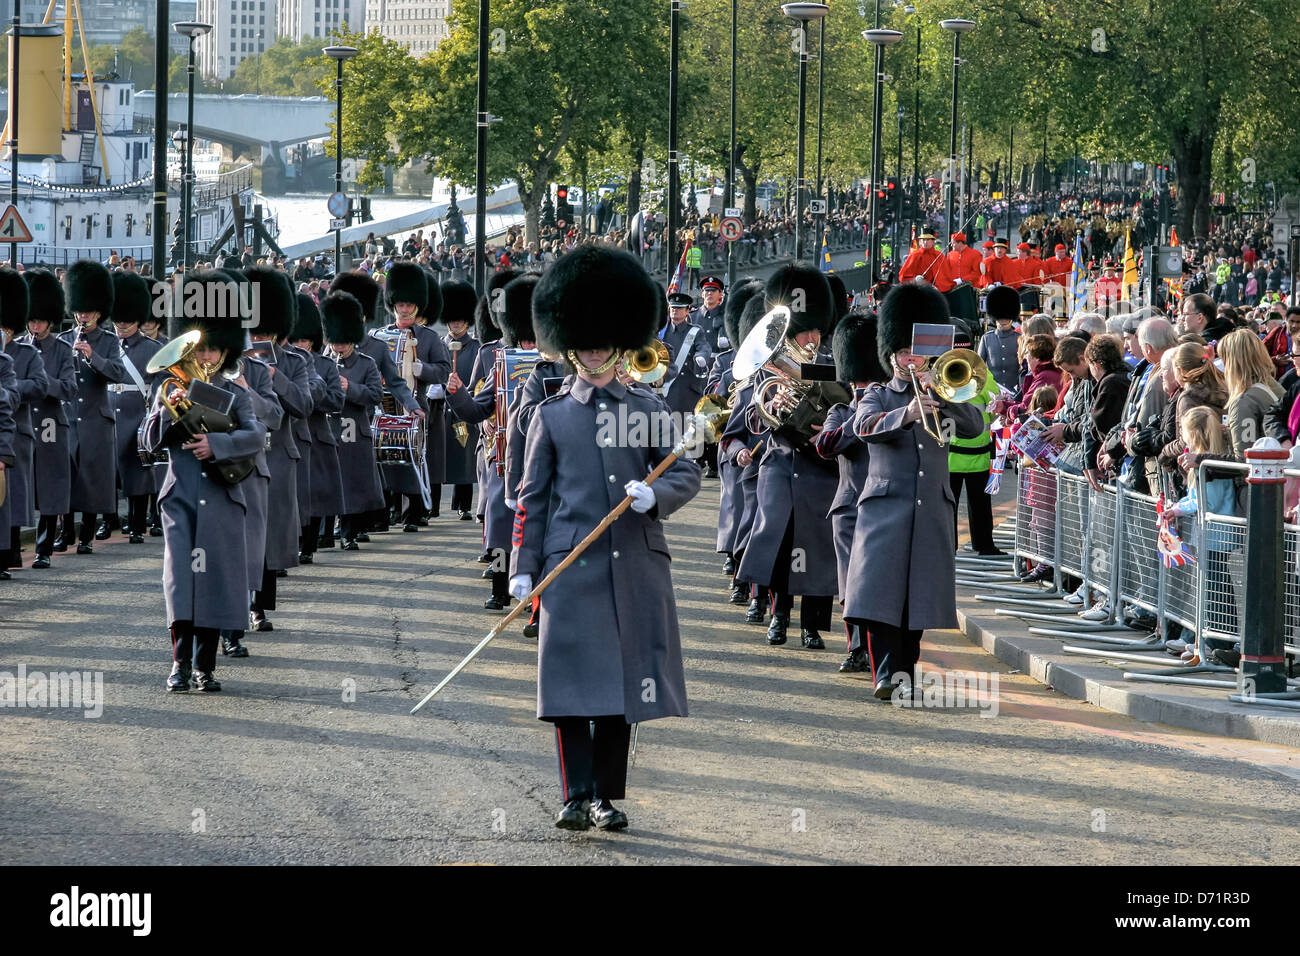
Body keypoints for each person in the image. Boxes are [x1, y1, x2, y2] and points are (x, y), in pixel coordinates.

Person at [509, 245, 701, 831]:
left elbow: (686, 469)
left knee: (621, 688)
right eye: (583, 346)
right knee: (570, 686)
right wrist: (523, 565)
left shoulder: (647, 407)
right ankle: (574, 793)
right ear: (569, 348)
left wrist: (655, 496)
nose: (592, 355)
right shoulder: (552, 415)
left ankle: (605, 797)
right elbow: (531, 498)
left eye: (601, 344)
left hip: (634, 565)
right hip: (571, 565)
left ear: (619, 344)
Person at [846, 281, 985, 699]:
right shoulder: (878, 394)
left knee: (917, 599)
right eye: (907, 353)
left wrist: (945, 394)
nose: (914, 359)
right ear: (892, 357)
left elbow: (975, 428)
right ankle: (884, 674)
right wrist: (906, 413)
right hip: (885, 508)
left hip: (930, 510)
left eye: (919, 353)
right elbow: (863, 428)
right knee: (880, 597)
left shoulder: (943, 391)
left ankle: (904, 672)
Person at [140, 273, 266, 693]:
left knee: (213, 581)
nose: (207, 356)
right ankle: (178, 665)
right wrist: (163, 411)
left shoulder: (235, 394)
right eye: (202, 348)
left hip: (222, 496)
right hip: (181, 499)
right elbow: (146, 440)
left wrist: (216, 443)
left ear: (224, 351)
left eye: (213, 348)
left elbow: (256, 436)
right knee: (181, 581)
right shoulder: (168, 387)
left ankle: (204, 668)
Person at [735, 263, 842, 650]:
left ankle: (811, 625)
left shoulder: (832, 363)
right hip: (780, 465)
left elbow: (844, 405)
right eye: (804, 331)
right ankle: (778, 617)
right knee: (779, 545)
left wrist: (825, 418)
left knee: (817, 549)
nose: (810, 337)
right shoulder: (771, 366)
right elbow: (750, 415)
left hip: (819, 468)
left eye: (814, 330)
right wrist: (775, 404)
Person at [447, 274, 540, 611]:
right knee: (501, 527)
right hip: (506, 454)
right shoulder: (500, 363)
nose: (529, 345)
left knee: (540, 528)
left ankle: (537, 597)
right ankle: (500, 588)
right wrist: (456, 393)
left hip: (544, 456)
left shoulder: (558, 363)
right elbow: (475, 409)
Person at [814, 309, 887, 673]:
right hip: (848, 507)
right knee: (849, 584)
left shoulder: (890, 408)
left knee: (876, 583)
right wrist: (859, 422)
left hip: (883, 508)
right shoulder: (841, 411)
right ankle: (856, 648)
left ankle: (878, 651)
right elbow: (826, 446)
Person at [245, 267, 313, 632]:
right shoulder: (234, 360)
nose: (260, 337)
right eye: (255, 331)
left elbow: (304, 406)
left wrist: (276, 378)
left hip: (279, 452)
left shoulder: (295, 363)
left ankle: (260, 606)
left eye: (266, 332)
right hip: (245, 452)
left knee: (269, 534)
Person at [59, 260, 127, 553]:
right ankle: (64, 532)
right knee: (67, 476)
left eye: (88, 311)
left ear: (99, 312)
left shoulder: (109, 341)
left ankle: (86, 534)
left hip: (96, 417)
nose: (83, 316)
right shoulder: (64, 339)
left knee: (90, 479)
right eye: (79, 311)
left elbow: (117, 373)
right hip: (68, 416)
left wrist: (91, 356)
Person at [324, 292, 385, 549]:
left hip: (354, 430)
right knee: (327, 482)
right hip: (329, 429)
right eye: (336, 342)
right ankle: (324, 534)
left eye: (343, 342)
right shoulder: (324, 363)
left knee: (351, 484)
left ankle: (349, 532)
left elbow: (375, 395)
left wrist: (350, 387)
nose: (339, 347)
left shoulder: (366, 364)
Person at [106, 271, 163, 544]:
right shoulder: (106, 345)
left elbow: (162, 384)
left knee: (138, 474)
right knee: (106, 472)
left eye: (128, 319)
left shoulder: (152, 348)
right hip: (108, 412)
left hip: (138, 414)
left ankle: (137, 524)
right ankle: (108, 521)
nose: (122, 324)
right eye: (119, 319)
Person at [288, 292, 344, 565]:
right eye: (296, 340)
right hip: (292, 433)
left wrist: (312, 393)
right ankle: (292, 544)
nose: (301, 345)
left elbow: (337, 400)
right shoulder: (286, 362)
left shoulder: (325, 365)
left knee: (315, 495)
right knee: (293, 495)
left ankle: (309, 545)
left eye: (305, 340)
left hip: (317, 433)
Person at [0, 269, 45, 571]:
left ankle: (9, 552)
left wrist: (10, 389)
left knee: (11, 499)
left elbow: (38, 386)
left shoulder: (25, 353)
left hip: (16, 432)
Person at [435, 279, 481, 519]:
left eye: (461, 319)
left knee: (464, 455)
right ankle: (432, 507)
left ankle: (463, 505)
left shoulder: (476, 347)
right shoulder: (439, 345)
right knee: (437, 454)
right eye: (453, 319)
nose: (457, 322)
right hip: (440, 407)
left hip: (465, 407)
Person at [1220, 328, 1284, 460]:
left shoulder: (1244, 401)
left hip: (1264, 476)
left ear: (1232, 363)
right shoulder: (1274, 385)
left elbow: (1244, 460)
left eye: (1224, 360)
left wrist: (1202, 460)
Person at [659, 289, 713, 421]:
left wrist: (701, 357)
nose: (675, 310)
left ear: (688, 311)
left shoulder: (695, 331)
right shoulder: (661, 332)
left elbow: (703, 347)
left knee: (688, 430)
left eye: (679, 308)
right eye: (673, 308)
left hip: (687, 388)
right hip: (664, 387)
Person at [977, 286, 1023, 391]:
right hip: (992, 390)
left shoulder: (1019, 338)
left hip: (1014, 390)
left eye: (1006, 317)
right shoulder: (987, 338)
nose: (1003, 320)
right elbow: (979, 366)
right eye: (1000, 317)